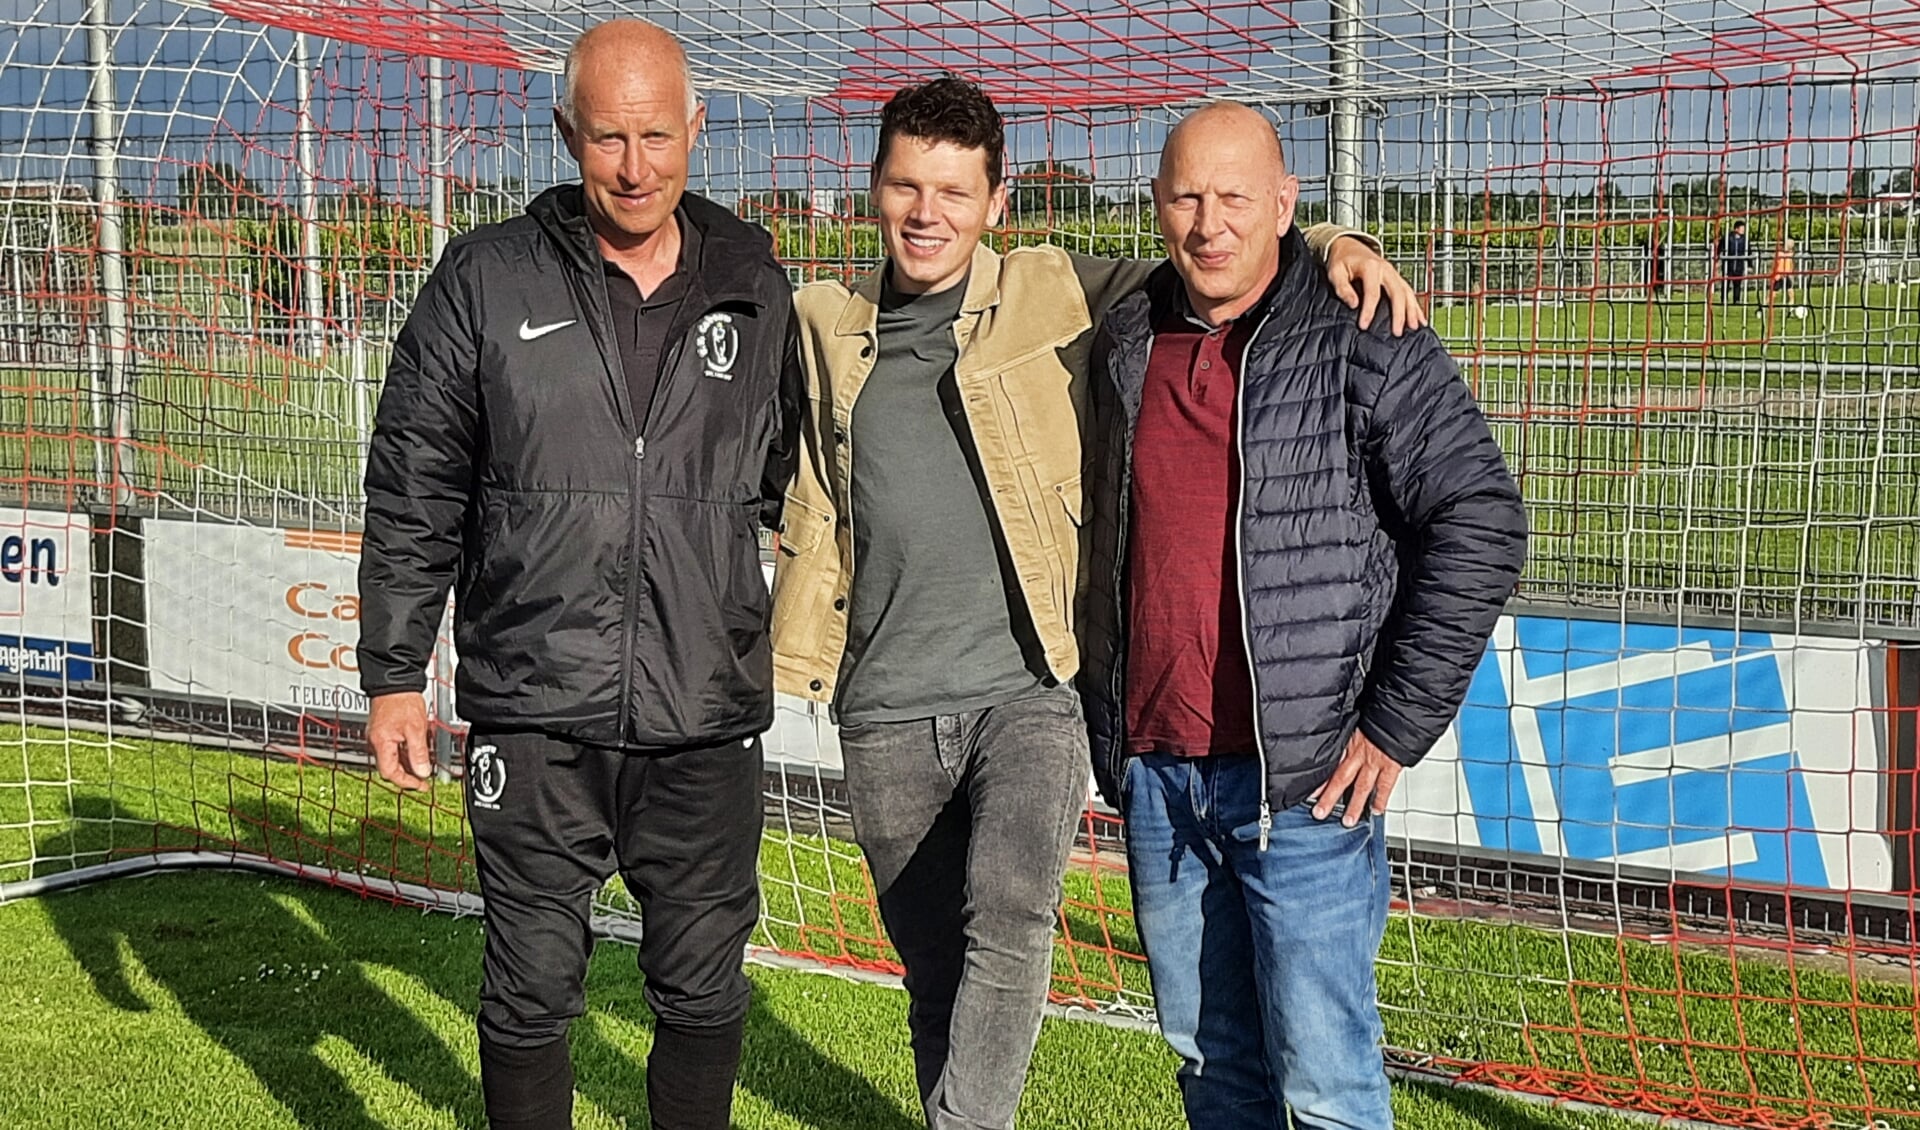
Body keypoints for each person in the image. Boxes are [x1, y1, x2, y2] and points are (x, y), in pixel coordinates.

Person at [770, 79, 1423, 1130]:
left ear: (996, 200)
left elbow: (1225, 254)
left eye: (953, 189)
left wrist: (1337, 240)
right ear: (875, 190)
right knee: (939, 970)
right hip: (885, 704)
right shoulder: (820, 326)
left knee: (1015, 918)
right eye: (906, 185)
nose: (927, 211)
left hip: (1031, 689)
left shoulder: (1056, 290)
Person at [356, 20, 801, 1130]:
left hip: (703, 715)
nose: (636, 165)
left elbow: (804, 480)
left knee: (703, 991)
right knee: (529, 993)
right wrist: (393, 670)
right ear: (566, 132)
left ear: (697, 127)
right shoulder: (485, 276)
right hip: (534, 712)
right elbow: (416, 477)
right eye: (608, 137)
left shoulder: (752, 276)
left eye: (657, 134)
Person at [1077, 101, 1529, 1130]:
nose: (1211, 224)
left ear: (1286, 204)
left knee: (1325, 1080)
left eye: (1237, 196)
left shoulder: (1362, 335)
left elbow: (1481, 518)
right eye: (1188, 196)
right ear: (1157, 203)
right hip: (1160, 780)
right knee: (1209, 1060)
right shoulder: (1125, 335)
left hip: (1308, 788)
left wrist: (1395, 723)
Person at [1716, 219, 1750, 305]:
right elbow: (1720, 247)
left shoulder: (1745, 239)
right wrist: (1718, 257)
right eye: (1741, 228)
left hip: (1739, 264)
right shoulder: (1728, 238)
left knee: (1737, 283)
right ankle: (1724, 299)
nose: (1743, 230)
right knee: (1726, 283)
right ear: (1736, 229)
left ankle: (1737, 300)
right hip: (1729, 264)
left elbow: (1749, 251)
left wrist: (1750, 265)